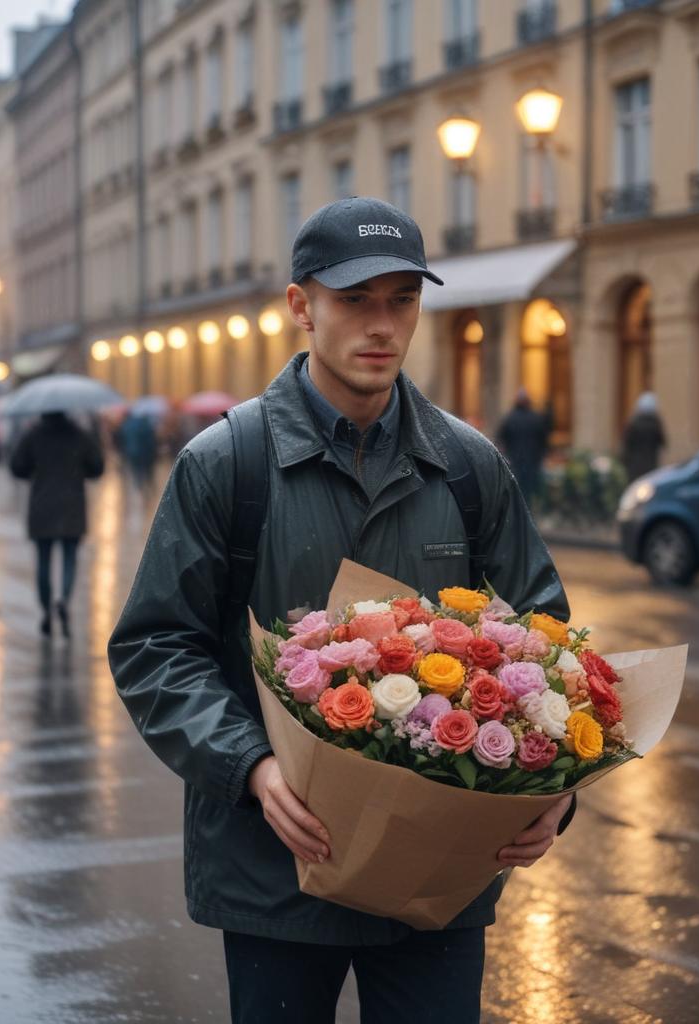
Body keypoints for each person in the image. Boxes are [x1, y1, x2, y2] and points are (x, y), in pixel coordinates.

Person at [108, 196, 574, 1024]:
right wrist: (253, 767)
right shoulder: (228, 464)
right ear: (302, 305)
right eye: (355, 299)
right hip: (275, 868)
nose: (382, 325)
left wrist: (554, 792)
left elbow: (547, 640)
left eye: (402, 299)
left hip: (437, 876)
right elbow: (157, 647)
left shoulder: (469, 465)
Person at [9, 411, 104, 638]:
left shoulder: (33, 435)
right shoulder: (79, 435)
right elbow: (97, 468)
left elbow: (16, 466)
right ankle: (63, 599)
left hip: (43, 506)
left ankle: (46, 608)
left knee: (43, 560)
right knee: (69, 558)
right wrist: (79, 469)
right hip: (72, 505)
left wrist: (35, 470)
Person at [497, 387, 552, 508]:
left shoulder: (509, 418)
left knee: (517, 491)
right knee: (529, 493)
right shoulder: (536, 418)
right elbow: (544, 441)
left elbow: (501, 440)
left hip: (515, 461)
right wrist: (541, 456)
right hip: (532, 462)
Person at [621, 391, 666, 483]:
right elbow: (663, 442)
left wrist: (624, 461)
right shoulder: (656, 424)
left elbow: (626, 444)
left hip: (634, 466)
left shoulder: (633, 423)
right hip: (650, 465)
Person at [117, 412, 157, 493]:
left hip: (130, 451)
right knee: (146, 469)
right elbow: (150, 440)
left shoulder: (126, 426)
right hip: (144, 452)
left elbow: (121, 440)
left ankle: (139, 485)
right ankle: (148, 483)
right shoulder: (144, 425)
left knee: (136, 469)